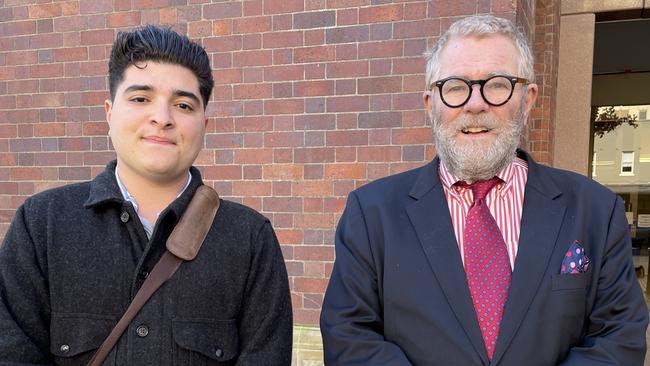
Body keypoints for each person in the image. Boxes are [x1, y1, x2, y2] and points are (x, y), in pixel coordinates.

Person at [320, 15, 648, 365]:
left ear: (527, 98)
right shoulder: (371, 214)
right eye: (456, 87)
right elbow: (349, 337)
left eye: (496, 84)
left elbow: (619, 337)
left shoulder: (594, 210)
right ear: (431, 103)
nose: (475, 104)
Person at [0, 25, 292, 365]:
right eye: (141, 99)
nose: (162, 118)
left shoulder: (250, 239)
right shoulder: (42, 225)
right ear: (109, 112)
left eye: (184, 105)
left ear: (204, 125)